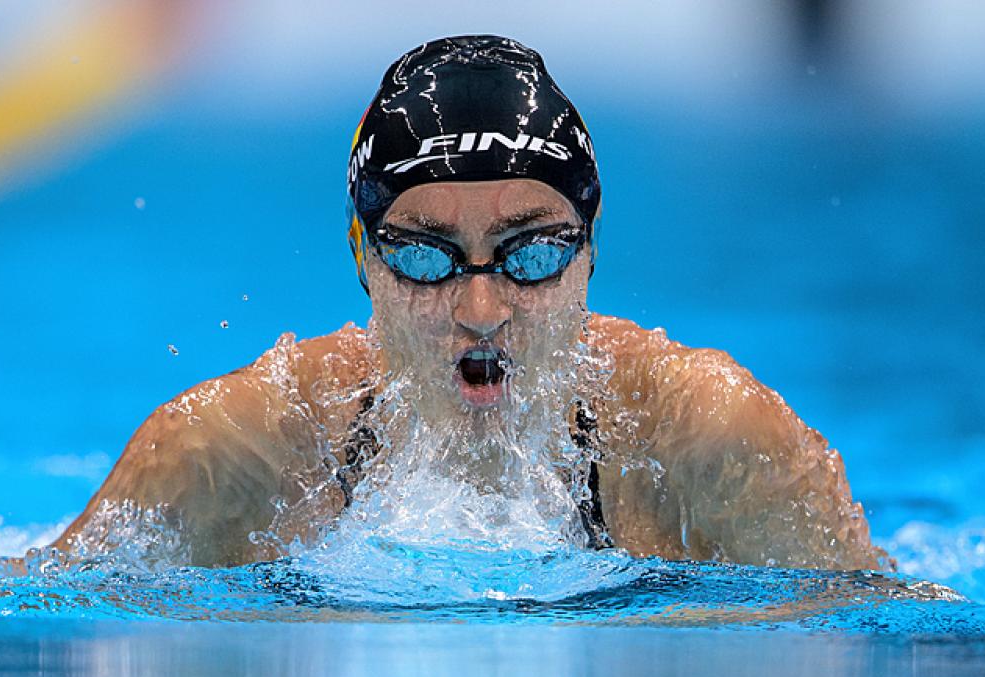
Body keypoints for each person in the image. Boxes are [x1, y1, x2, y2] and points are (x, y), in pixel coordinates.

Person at [46, 35, 886, 572]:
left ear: (590, 256)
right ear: (363, 263)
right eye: (422, 255)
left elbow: (893, 647)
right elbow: (45, 638)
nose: (481, 306)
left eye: (533, 252)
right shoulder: (231, 451)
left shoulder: (709, 436)